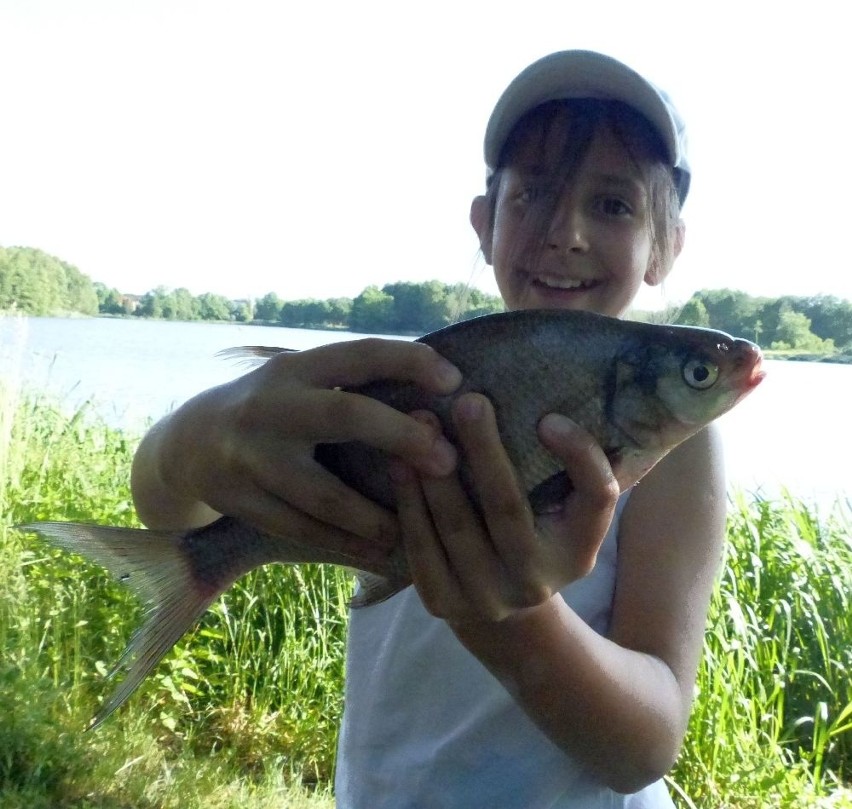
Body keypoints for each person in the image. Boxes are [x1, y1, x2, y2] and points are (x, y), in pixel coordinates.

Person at [131, 50, 724, 808]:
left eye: (613, 205)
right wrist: (185, 444)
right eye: (534, 194)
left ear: (666, 245)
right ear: (485, 223)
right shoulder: (413, 378)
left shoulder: (676, 445)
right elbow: (168, 507)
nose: (567, 232)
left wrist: (508, 616)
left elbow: (645, 747)